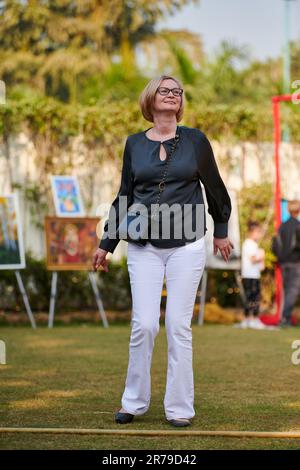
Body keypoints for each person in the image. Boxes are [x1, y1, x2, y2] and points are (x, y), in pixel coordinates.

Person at [92, 75, 234, 427]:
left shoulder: (196, 141)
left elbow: (215, 187)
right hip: (143, 247)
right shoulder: (134, 144)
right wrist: (106, 243)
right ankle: (134, 402)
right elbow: (125, 194)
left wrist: (220, 231)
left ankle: (180, 408)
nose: (171, 96)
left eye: (177, 92)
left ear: (180, 102)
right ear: (150, 100)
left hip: (186, 245)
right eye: (164, 91)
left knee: (177, 325)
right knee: (143, 324)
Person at [271, 200, 300, 327]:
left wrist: (280, 257)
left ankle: (285, 318)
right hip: (295, 263)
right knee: (293, 291)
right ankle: (285, 318)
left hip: (283, 263)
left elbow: (274, 245)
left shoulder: (282, 226)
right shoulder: (298, 226)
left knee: (287, 290)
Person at [237, 221, 266, 329]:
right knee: (250, 298)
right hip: (249, 276)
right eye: (257, 232)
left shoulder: (254, 245)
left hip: (255, 275)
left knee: (255, 297)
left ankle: (253, 318)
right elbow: (253, 259)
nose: (259, 235)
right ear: (252, 232)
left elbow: (259, 265)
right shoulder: (249, 244)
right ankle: (249, 319)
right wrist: (262, 256)